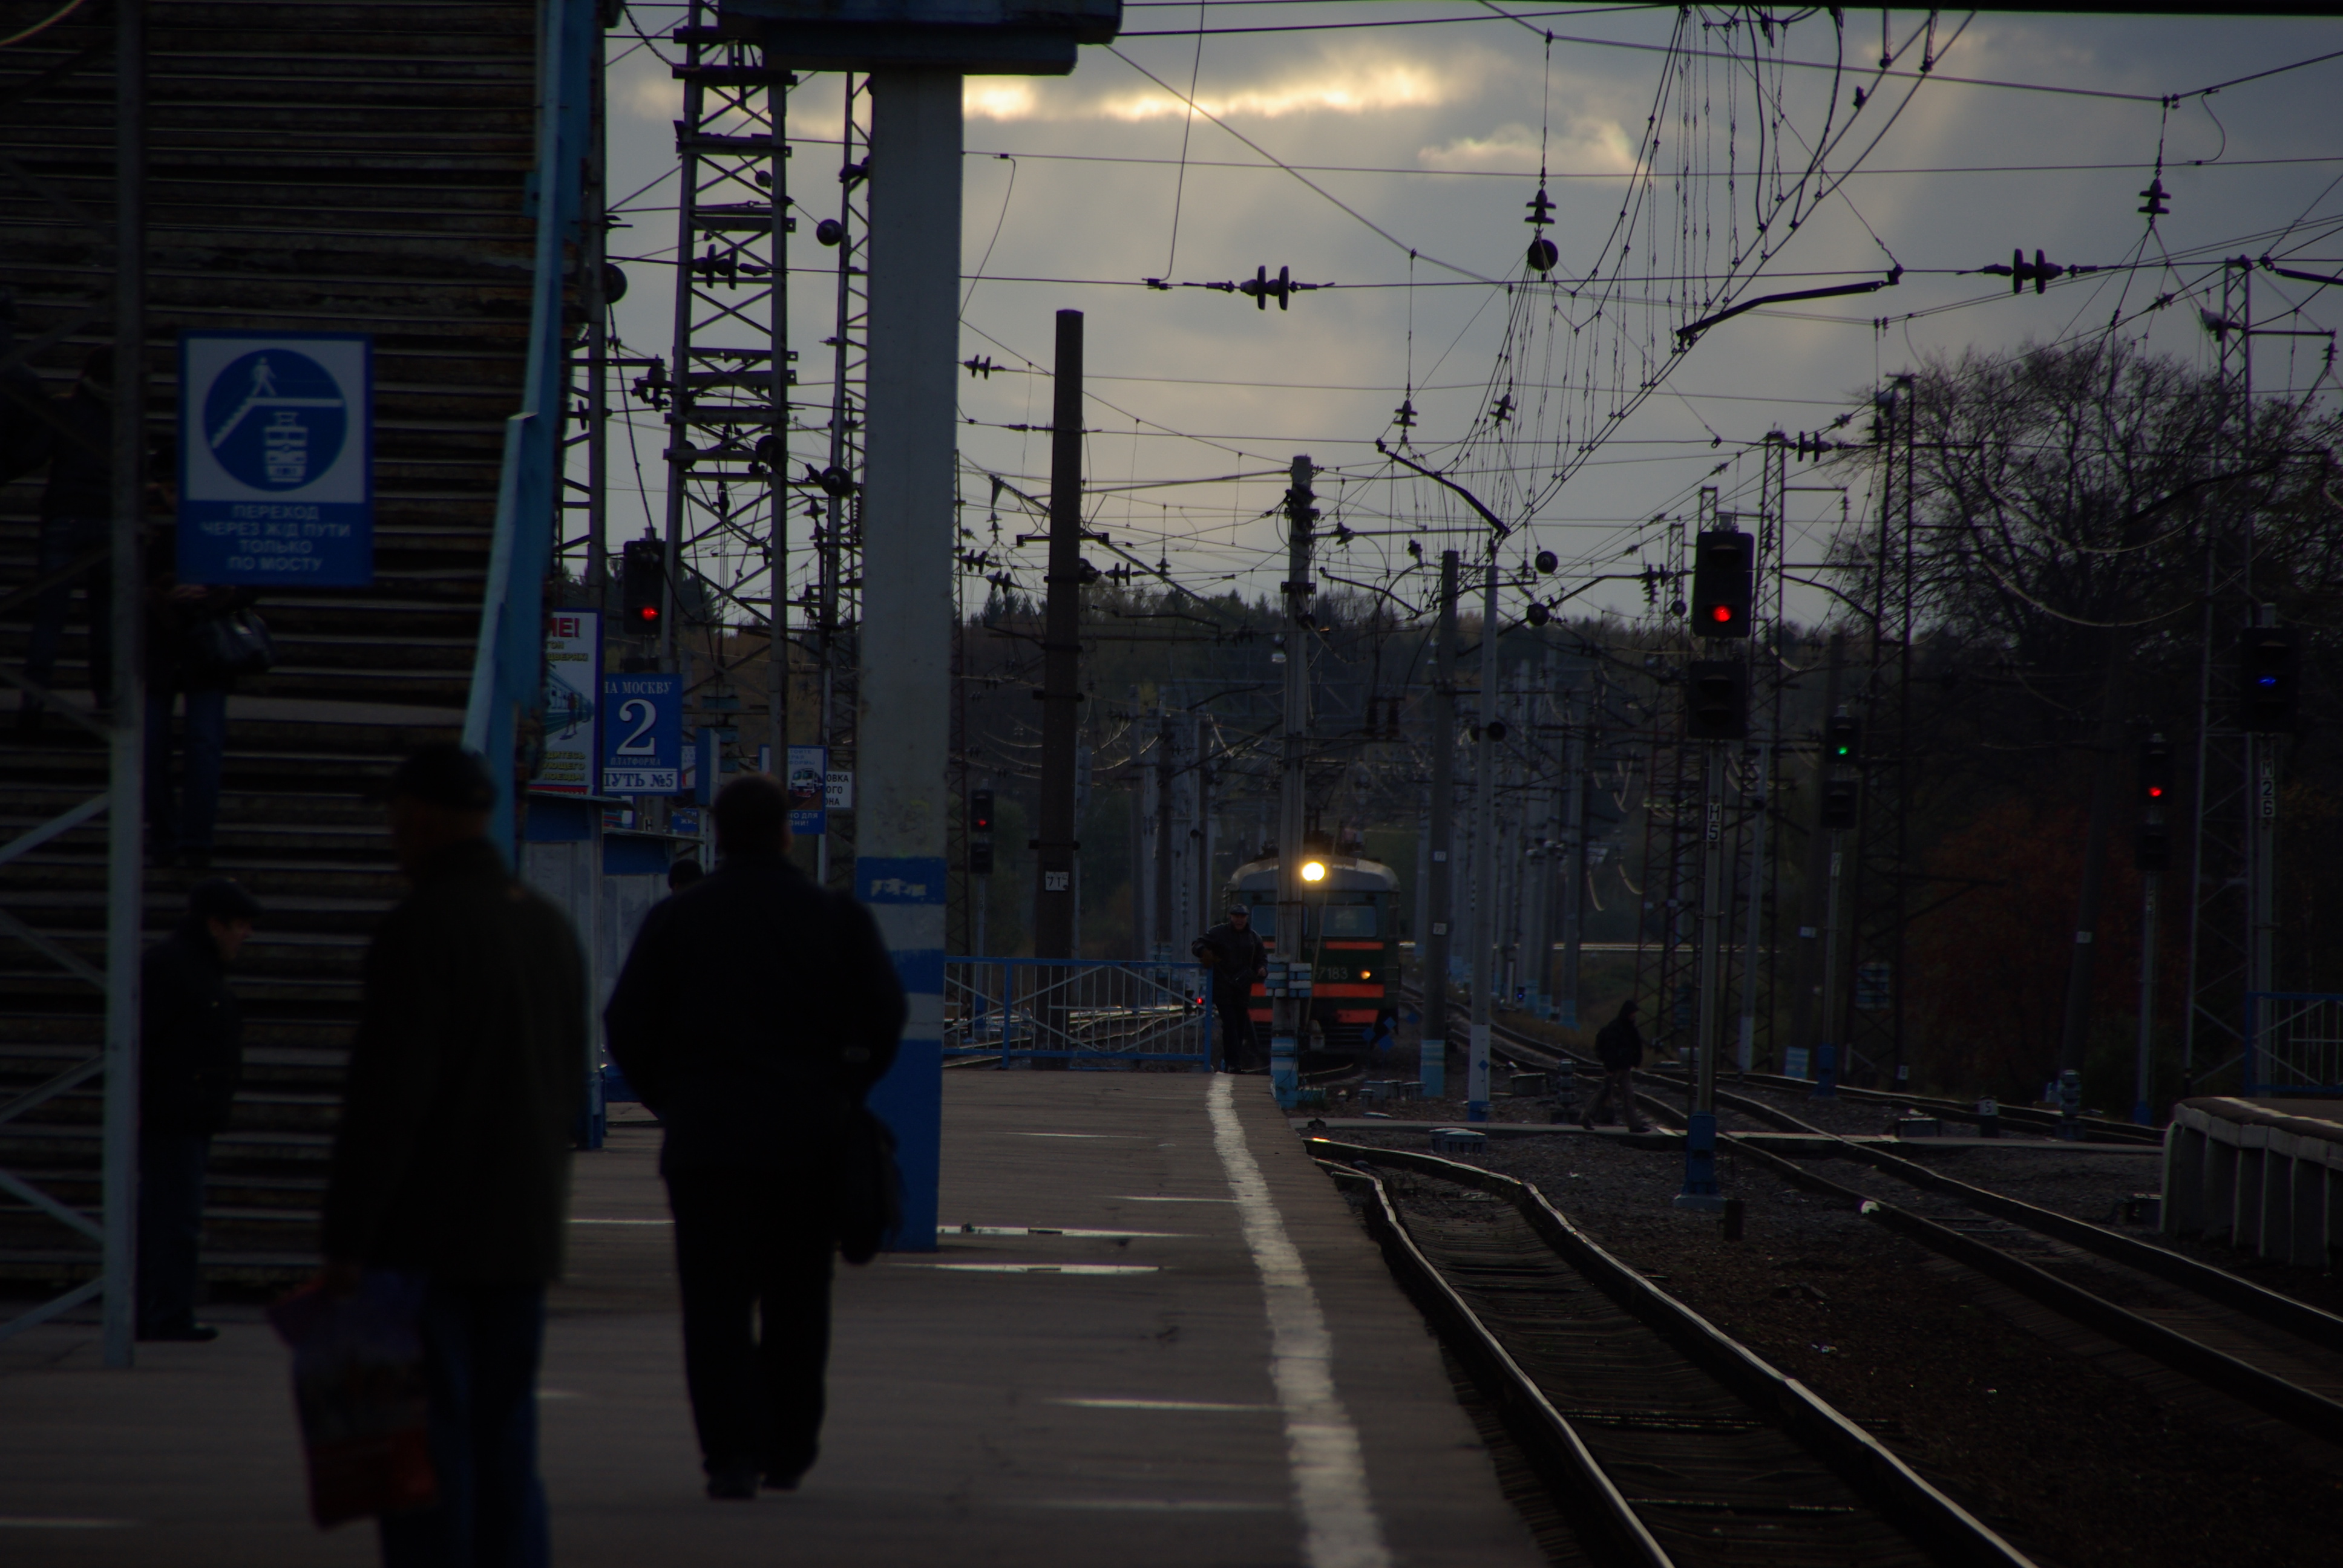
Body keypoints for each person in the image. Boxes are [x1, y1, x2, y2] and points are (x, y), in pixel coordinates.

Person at [320, 744, 586, 1567]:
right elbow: (566, 1084)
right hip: (522, 1236)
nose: (391, 832)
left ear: (424, 818)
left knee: (422, 1451)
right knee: (506, 1437)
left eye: (396, 815)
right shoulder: (546, 927)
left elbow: (386, 1102)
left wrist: (347, 1238)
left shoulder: (419, 930)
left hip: (425, 1240)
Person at [605, 774, 905, 1501]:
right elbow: (885, 1016)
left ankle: (729, 1456)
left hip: (707, 1146)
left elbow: (626, 1026)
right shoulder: (835, 918)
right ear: (785, 834)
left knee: (714, 1306)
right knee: (799, 1298)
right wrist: (844, 1093)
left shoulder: (679, 919)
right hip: (808, 1144)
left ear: (716, 835)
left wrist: (674, 1103)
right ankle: (789, 1447)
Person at [137, 877, 261, 1341]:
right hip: (173, 1115)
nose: (245, 935)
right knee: (174, 1219)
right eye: (241, 925)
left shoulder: (196, 967)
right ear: (214, 924)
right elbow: (147, 1040)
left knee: (171, 1217)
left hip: (188, 1114)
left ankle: (162, 1311)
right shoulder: (174, 967)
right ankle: (165, 1314)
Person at [146, 526, 258, 867]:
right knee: (152, 750)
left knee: (203, 746)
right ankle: (168, 840)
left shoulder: (223, 528)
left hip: (204, 650)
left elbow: (250, 585)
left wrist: (207, 596)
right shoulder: (150, 535)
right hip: (157, 653)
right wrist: (165, 595)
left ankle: (194, 843)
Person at [18, 348, 114, 734]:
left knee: (49, 618)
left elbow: (34, 453)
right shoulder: (127, 415)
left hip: (64, 516)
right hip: (110, 521)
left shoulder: (65, 408)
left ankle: (34, 699)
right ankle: (107, 699)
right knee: (106, 617)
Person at [1191, 904, 1268, 1073]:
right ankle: (1232, 1063)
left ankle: (1234, 1063)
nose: (1239, 920)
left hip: (1242, 989)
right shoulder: (1219, 933)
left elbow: (1262, 959)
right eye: (1236, 916)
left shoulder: (1254, 939)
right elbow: (1197, 944)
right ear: (1231, 917)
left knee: (1240, 1026)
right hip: (1223, 987)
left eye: (1242, 917)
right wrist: (1204, 952)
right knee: (1231, 1024)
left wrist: (1262, 969)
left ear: (1247, 918)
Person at [1582, 997, 1648, 1133]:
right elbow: (1610, 1049)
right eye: (1632, 1014)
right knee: (1604, 1093)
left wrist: (1635, 1061)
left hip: (1625, 1068)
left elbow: (1636, 1047)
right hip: (1615, 1068)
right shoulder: (1615, 1028)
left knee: (1629, 1096)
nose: (1633, 1016)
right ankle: (1586, 1116)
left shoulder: (1630, 1029)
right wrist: (1610, 1067)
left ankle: (1634, 1125)